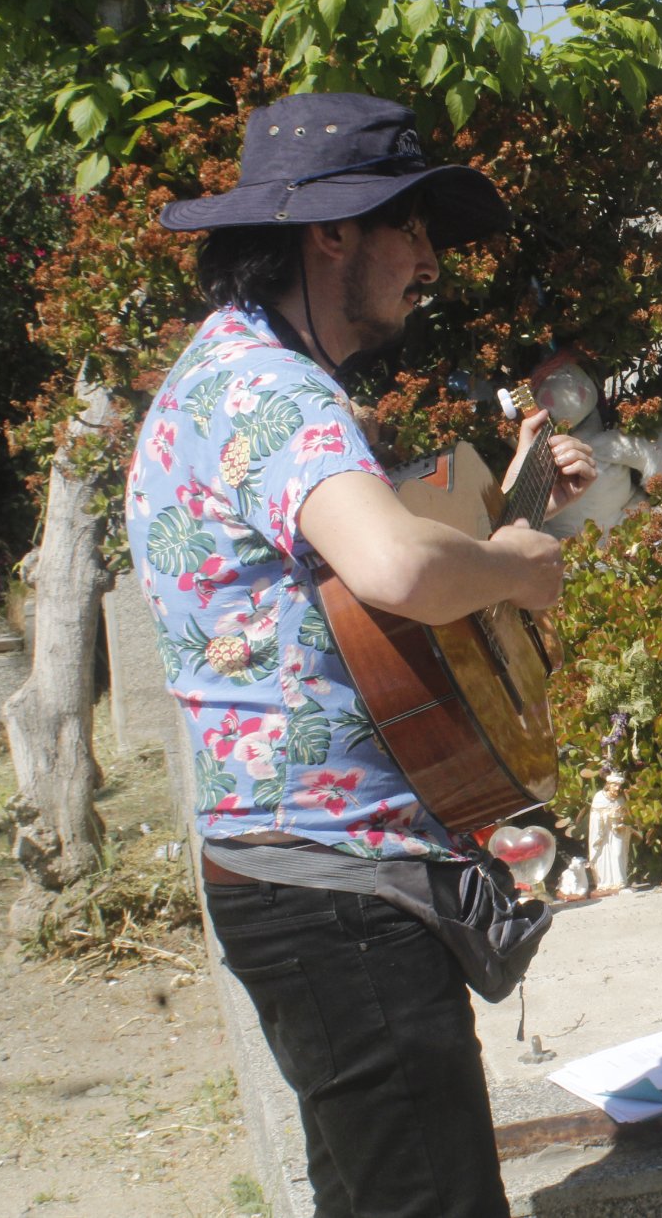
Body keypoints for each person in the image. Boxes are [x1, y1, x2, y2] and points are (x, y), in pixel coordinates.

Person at [127, 92, 596, 1218]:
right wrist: (516, 568)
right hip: (340, 894)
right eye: (411, 227)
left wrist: (512, 512)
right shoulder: (275, 390)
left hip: (297, 874)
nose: (429, 262)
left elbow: (351, 600)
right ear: (331, 230)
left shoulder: (229, 371)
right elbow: (394, 568)